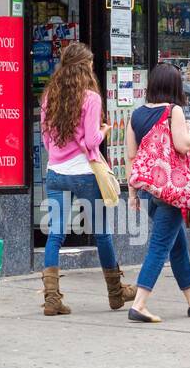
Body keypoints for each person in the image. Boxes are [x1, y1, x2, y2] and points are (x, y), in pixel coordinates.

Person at [38, 41, 136, 315]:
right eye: (91, 64)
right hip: (84, 174)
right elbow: (92, 139)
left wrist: (61, 153)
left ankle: (51, 299)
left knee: (55, 235)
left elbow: (46, 138)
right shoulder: (91, 98)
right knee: (102, 233)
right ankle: (116, 293)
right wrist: (104, 131)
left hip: (56, 173)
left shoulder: (50, 96)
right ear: (85, 67)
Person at [124, 62, 190, 323]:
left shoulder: (136, 115)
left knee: (177, 244)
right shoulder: (174, 111)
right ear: (175, 87)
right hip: (172, 193)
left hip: (150, 191)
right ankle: (139, 304)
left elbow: (131, 156)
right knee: (160, 246)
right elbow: (183, 146)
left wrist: (132, 194)